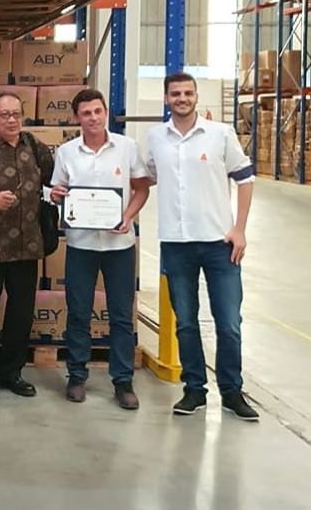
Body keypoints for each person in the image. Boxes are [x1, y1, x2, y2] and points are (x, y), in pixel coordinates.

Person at [145, 72, 258, 420]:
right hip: (176, 244)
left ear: (196, 96)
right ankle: (194, 390)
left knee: (228, 322)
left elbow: (245, 179)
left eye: (187, 93)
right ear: (166, 98)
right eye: (175, 93)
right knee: (185, 323)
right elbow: (146, 178)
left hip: (220, 244)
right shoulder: (156, 138)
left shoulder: (220, 134)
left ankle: (232, 392)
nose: (182, 98)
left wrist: (239, 229)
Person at [49, 89, 150, 410]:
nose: (93, 118)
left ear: (105, 113)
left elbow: (141, 189)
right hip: (81, 244)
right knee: (79, 312)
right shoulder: (66, 152)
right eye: (86, 113)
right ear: (76, 118)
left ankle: (123, 381)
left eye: (97, 111)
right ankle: (77, 376)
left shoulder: (127, 147)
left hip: (120, 245)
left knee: (121, 315)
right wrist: (56, 196)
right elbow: (57, 191)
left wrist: (128, 216)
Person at [0, 92, 53, 402]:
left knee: (21, 312)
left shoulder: (35, 147)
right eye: (4, 114)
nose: (12, 120)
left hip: (27, 245)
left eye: (16, 113)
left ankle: (12, 372)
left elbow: (54, 180)